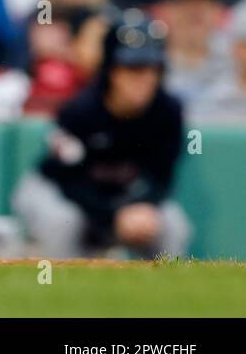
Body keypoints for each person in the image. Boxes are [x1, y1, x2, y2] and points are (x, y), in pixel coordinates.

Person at [13, 14, 193, 258]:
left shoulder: (168, 112)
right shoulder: (81, 110)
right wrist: (114, 214)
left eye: (153, 68)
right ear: (111, 70)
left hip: (125, 197)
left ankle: (164, 294)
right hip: (59, 191)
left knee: (173, 225)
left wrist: (143, 207)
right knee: (64, 222)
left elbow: (162, 176)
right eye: (133, 68)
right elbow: (70, 180)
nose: (144, 78)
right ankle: (60, 292)